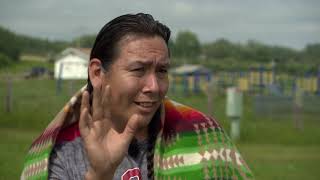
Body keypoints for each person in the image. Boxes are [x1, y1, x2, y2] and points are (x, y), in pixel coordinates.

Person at [21, 13, 253, 180]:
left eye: (162, 71)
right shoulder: (62, 153)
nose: (154, 86)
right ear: (97, 73)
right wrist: (100, 175)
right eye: (138, 70)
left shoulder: (202, 135)